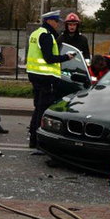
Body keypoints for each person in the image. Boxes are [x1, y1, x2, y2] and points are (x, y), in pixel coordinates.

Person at [27, 10, 77, 149]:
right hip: (45, 78)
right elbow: (49, 58)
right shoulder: (46, 35)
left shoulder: (36, 34)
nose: (57, 24)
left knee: (38, 108)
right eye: (56, 21)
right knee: (42, 110)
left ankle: (33, 139)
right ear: (49, 21)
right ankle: (38, 142)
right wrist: (66, 57)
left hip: (35, 75)